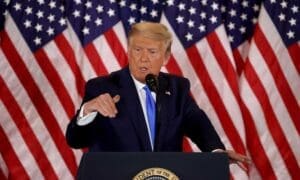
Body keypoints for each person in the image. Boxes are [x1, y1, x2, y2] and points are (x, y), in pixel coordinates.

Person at [66, 22, 250, 170]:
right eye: (137, 50)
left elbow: (198, 124)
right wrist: (87, 110)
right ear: (129, 52)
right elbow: (76, 140)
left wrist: (216, 153)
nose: (143, 58)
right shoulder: (102, 87)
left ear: (166, 57)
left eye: (152, 52)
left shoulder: (177, 88)